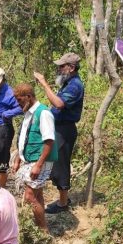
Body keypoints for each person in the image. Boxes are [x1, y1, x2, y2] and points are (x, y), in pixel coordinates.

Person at [33, 52, 85, 213]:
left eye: (62, 66)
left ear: (71, 68)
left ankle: (63, 203)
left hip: (65, 129)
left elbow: (59, 103)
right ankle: (62, 196)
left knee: (61, 165)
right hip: (58, 128)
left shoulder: (75, 85)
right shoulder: (68, 83)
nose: (59, 69)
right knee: (56, 164)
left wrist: (44, 83)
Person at [11, 84, 57, 232]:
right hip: (31, 159)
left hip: (40, 160)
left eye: (19, 100)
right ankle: (41, 228)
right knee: (37, 194)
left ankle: (43, 230)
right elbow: (24, 138)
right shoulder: (28, 113)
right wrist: (18, 158)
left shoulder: (43, 113)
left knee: (30, 196)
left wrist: (38, 164)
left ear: (28, 97)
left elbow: (49, 140)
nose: (18, 103)